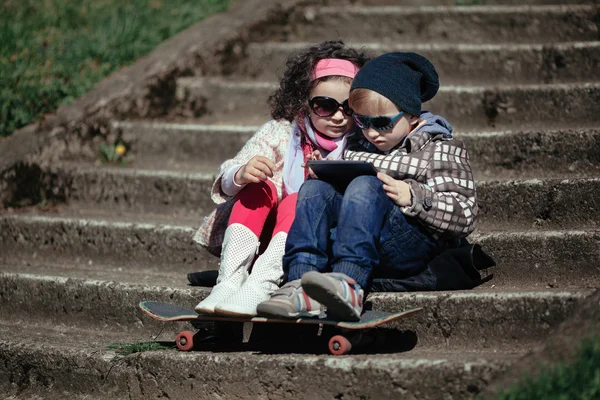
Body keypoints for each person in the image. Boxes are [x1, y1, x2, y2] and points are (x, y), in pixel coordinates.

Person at [257, 52, 478, 321]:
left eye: (382, 123)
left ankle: (349, 284)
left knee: (365, 183)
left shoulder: (439, 148)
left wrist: (414, 196)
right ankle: (302, 284)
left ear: (412, 117)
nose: (372, 133)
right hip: (356, 241)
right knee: (315, 190)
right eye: (362, 122)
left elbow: (465, 215)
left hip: (409, 244)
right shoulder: (356, 146)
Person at [192, 41, 370, 317]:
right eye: (325, 105)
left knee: (302, 197)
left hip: (313, 241)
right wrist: (240, 173)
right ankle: (228, 281)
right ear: (304, 102)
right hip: (261, 232)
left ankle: (261, 284)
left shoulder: (362, 142)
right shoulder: (282, 132)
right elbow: (231, 171)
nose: (338, 116)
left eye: (349, 108)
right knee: (257, 186)